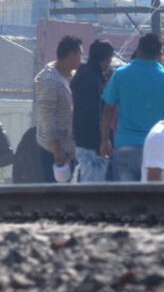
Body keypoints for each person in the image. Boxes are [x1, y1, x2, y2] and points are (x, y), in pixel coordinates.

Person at [100, 33, 164, 182]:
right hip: (156, 148)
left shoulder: (120, 75)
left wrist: (105, 140)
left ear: (138, 49)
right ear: (159, 54)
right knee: (152, 199)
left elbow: (107, 111)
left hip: (125, 145)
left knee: (127, 198)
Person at [33, 36, 82, 183]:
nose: (82, 58)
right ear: (71, 54)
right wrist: (57, 148)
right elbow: (46, 117)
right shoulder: (50, 80)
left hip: (69, 148)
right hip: (53, 150)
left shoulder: (71, 76)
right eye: (80, 54)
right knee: (56, 196)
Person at [71, 40, 114, 182]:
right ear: (106, 58)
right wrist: (102, 141)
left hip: (80, 138)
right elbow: (95, 113)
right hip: (92, 143)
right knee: (93, 188)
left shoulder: (82, 73)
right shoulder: (94, 80)